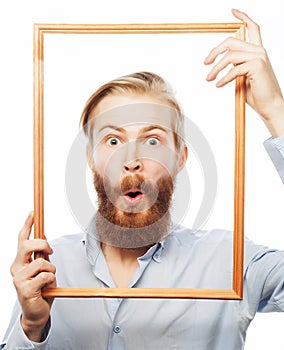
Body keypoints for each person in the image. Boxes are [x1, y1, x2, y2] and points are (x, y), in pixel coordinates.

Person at [2, 9, 284, 350]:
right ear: (91, 158)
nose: (131, 160)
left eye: (152, 141)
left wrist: (275, 112)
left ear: (180, 158)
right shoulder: (48, 268)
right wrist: (31, 327)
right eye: (113, 140)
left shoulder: (232, 262)